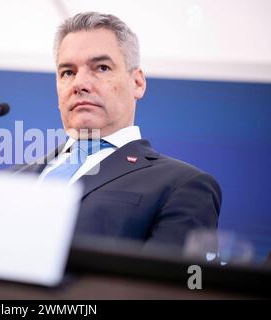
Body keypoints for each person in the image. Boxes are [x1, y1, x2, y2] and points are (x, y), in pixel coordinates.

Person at [15, 12, 222, 248]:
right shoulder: (11, 178)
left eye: (101, 68)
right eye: (68, 72)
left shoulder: (182, 184)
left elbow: (171, 283)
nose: (79, 84)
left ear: (138, 82)